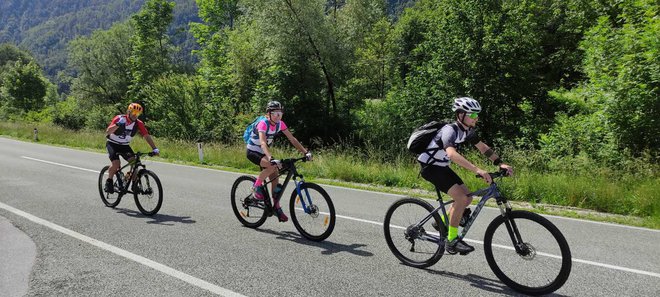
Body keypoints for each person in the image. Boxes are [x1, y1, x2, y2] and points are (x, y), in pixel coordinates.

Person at [418, 97, 513, 254]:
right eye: (473, 115)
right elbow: (451, 154)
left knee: (467, 197)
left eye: (477, 115)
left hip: (441, 166)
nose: (476, 118)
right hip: (430, 167)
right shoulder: (450, 130)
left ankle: (441, 223)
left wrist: (500, 163)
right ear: (461, 114)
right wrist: (477, 170)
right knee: (461, 199)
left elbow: (483, 148)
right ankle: (451, 240)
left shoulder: (467, 131)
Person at [246, 101, 312, 222]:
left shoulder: (280, 124)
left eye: (280, 113)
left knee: (275, 179)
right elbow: (262, 143)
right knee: (272, 166)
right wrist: (270, 158)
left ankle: (276, 207)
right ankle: (256, 188)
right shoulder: (263, 124)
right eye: (275, 113)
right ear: (268, 114)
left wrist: (305, 152)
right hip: (253, 151)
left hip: (264, 152)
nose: (278, 116)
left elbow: (292, 139)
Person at [104, 103, 159, 193]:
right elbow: (108, 131)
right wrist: (117, 125)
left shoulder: (138, 123)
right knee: (116, 164)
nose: (135, 115)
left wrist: (154, 148)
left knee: (135, 163)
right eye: (133, 112)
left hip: (125, 145)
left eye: (137, 114)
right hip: (112, 144)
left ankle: (134, 184)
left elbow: (146, 136)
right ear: (128, 112)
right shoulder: (120, 118)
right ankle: (109, 181)